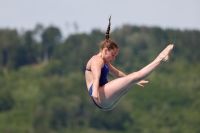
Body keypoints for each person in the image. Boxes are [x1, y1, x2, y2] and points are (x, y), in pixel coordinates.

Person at [85, 16, 174, 111]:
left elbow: (117, 73)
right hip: (99, 95)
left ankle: (160, 60)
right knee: (135, 75)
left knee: (133, 79)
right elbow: (96, 77)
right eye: (113, 55)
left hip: (105, 101)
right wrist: (94, 92)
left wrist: (133, 80)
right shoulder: (96, 60)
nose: (114, 58)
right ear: (105, 50)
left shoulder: (104, 62)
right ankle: (161, 58)